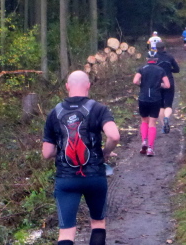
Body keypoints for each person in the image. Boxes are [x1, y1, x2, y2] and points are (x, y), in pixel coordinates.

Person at [42, 71, 121, 245]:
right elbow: (114, 136)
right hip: (95, 176)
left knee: (66, 231)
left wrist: (61, 149)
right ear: (88, 86)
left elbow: (47, 153)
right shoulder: (99, 109)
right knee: (98, 223)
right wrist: (105, 152)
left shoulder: (54, 113)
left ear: (67, 87)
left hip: (66, 179)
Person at [133, 51, 170, 156]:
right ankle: (150, 148)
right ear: (156, 60)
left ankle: (144, 141)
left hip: (143, 98)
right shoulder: (160, 70)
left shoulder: (142, 69)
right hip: (155, 99)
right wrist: (160, 85)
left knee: (144, 120)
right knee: (152, 123)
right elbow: (167, 85)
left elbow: (135, 81)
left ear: (147, 59)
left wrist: (142, 84)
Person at [155, 42, 180, 133]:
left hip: (158, 83)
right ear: (164, 48)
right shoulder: (170, 57)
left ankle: (163, 127)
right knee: (168, 105)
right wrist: (170, 70)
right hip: (169, 82)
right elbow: (177, 69)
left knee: (160, 106)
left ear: (156, 48)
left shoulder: (154, 58)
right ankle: (166, 118)